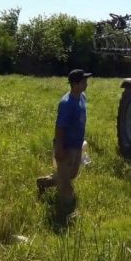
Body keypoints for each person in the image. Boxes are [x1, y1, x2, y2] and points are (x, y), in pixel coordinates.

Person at [36, 69, 91, 218]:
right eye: (83, 82)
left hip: (77, 144)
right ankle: (67, 209)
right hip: (66, 146)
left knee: (71, 174)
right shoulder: (67, 103)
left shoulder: (82, 97)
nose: (86, 84)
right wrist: (59, 149)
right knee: (65, 180)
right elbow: (60, 128)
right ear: (74, 84)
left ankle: (44, 182)